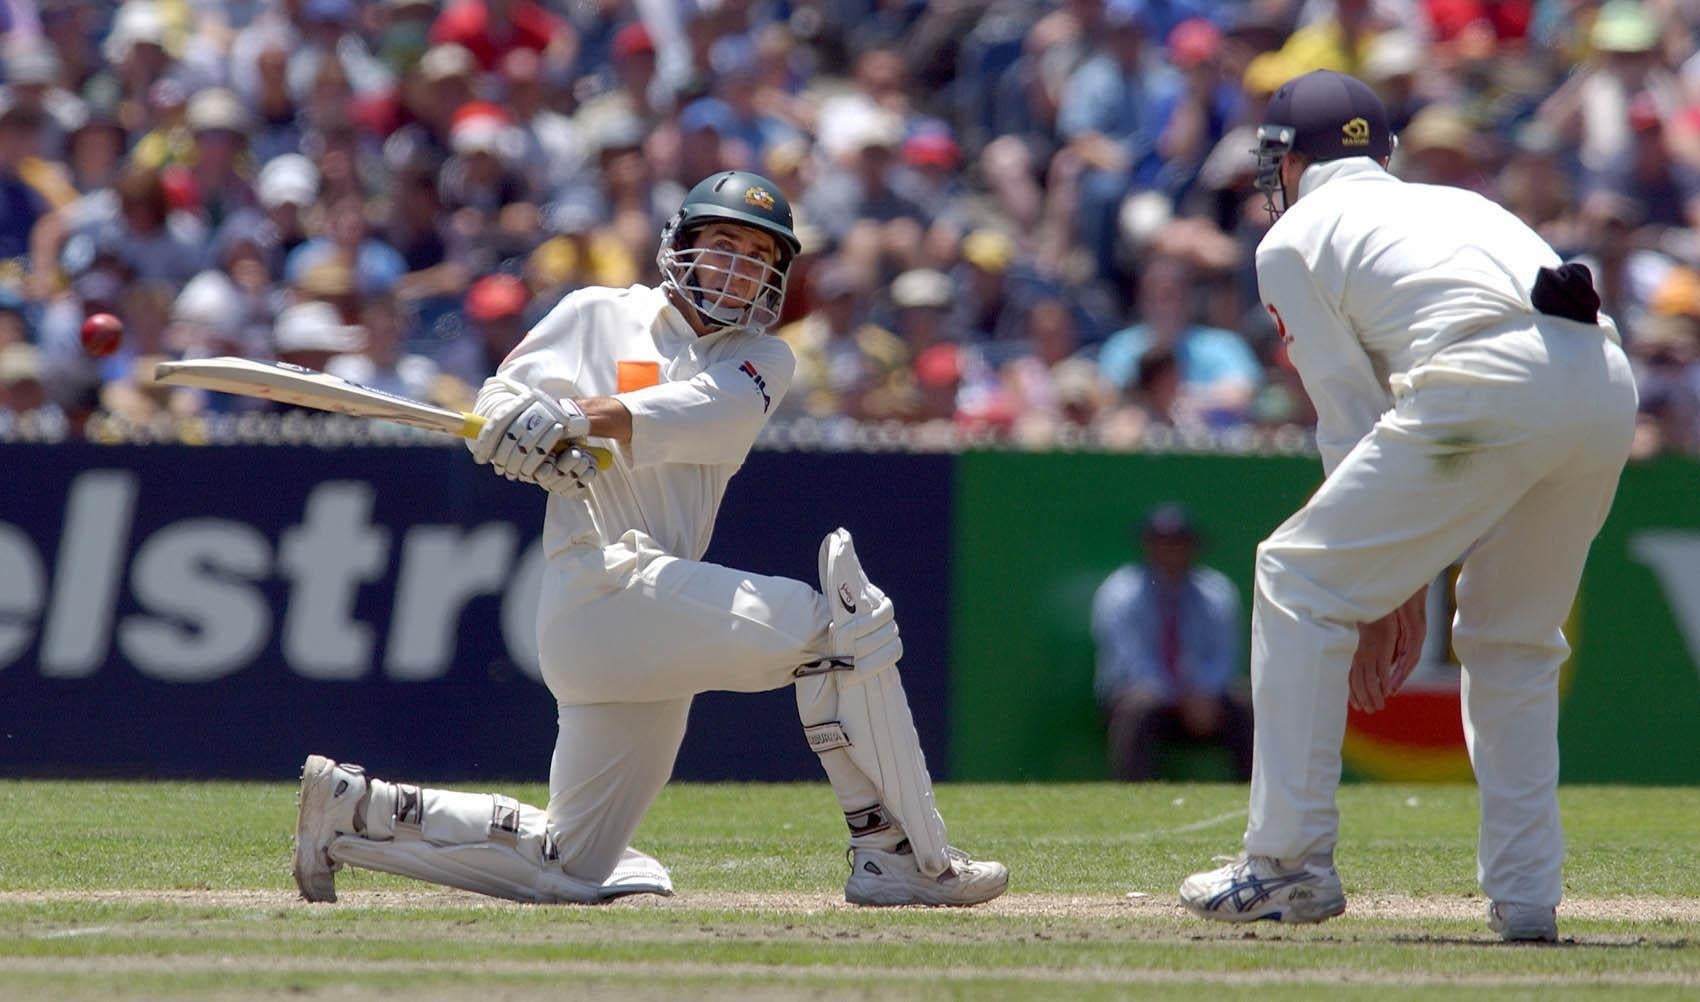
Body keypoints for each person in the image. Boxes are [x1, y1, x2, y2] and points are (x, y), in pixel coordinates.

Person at [292, 170, 1009, 907]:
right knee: (837, 627)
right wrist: (518, 427)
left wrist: (581, 417)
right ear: (682, 245)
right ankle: (897, 853)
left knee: (570, 862)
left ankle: (354, 808)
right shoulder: (597, 313)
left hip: (649, 620)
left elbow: (707, 413)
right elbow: (501, 399)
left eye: (759, 256)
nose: (738, 267)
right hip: (599, 584)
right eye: (723, 244)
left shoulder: (761, 358)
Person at [1178, 71, 1637, 942]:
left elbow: (1350, 425)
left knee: (1295, 578)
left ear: (1293, 160)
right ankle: (1529, 897)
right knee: (1514, 640)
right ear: (1380, 154)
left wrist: (1388, 586)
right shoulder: (1452, 203)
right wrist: (1397, 575)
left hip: (1490, 378)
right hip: (1602, 377)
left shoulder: (1296, 237)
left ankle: (1287, 865)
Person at [1090, 504, 1252, 782]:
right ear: (1147, 547)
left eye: (1179, 544)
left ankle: (1256, 798)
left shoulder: (1217, 592)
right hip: (1143, 697)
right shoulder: (1120, 593)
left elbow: (1225, 657)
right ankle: (1133, 796)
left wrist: (1203, 693)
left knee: (1247, 704)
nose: (1171, 552)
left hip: (1203, 701)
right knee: (1138, 707)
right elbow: (1131, 662)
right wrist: (1177, 695)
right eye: (1162, 544)